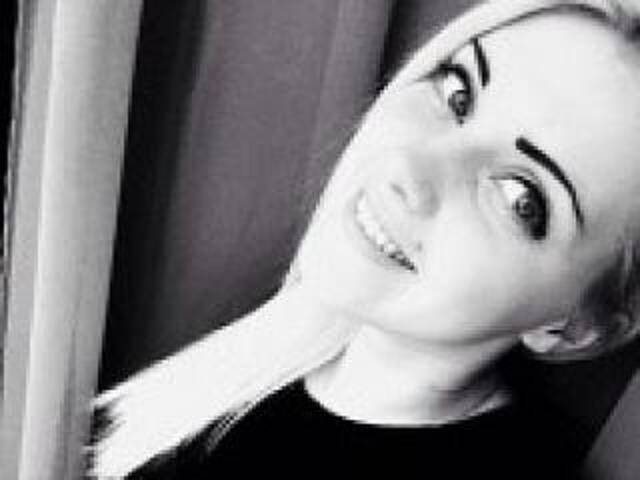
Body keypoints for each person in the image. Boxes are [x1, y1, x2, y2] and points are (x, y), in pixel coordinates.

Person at [88, 0, 640, 478]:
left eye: (523, 199)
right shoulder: (264, 354)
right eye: (457, 91)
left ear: (576, 327)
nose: (410, 169)